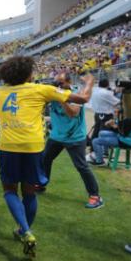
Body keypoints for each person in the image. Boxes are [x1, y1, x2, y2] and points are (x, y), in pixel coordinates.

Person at [0, 56, 95, 258]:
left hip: (8, 147)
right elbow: (83, 99)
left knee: (10, 190)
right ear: (28, 74)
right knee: (29, 192)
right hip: (33, 147)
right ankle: (24, 231)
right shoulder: (41, 89)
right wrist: (89, 83)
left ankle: (26, 230)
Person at [40, 73, 103, 209]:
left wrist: (61, 97)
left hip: (74, 137)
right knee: (45, 159)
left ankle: (95, 196)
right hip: (56, 136)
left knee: (81, 166)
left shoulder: (76, 94)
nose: (58, 86)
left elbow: (73, 112)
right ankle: (41, 184)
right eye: (56, 83)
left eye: (60, 83)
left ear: (68, 82)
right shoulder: (53, 92)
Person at [89, 79, 120, 151]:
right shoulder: (107, 93)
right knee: (104, 132)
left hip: (97, 114)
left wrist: (113, 91)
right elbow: (117, 102)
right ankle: (103, 151)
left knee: (96, 131)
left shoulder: (95, 91)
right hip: (106, 115)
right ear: (107, 84)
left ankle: (93, 148)